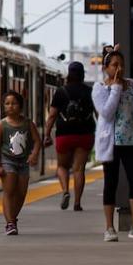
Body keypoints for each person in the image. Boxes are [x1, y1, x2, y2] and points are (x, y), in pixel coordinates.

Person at [93, 49, 133, 241]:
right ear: (106, 68)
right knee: (110, 182)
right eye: (114, 65)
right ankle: (109, 227)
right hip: (111, 143)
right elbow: (106, 112)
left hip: (132, 140)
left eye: (121, 65)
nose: (118, 68)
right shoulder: (99, 88)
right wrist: (116, 87)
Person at [42, 62, 96, 211]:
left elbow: (52, 115)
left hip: (64, 134)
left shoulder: (60, 92)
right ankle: (77, 203)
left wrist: (47, 134)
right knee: (79, 169)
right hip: (85, 134)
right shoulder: (89, 91)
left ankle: (65, 191)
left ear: (69, 74)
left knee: (62, 166)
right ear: (82, 74)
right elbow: (98, 114)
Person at [0, 90, 41, 235]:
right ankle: (10, 223)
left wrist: (34, 154)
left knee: (21, 193)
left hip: (23, 162)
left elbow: (37, 141)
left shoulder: (28, 123)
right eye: (7, 103)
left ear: (20, 106)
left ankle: (13, 217)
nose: (10, 106)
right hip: (8, 161)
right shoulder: (1, 126)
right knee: (9, 191)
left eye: (14, 103)